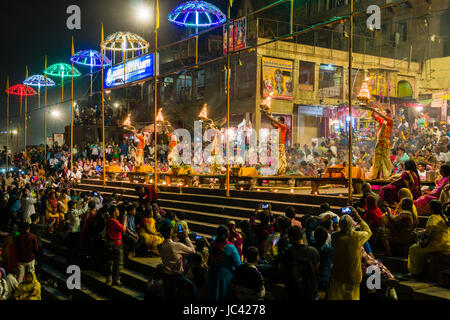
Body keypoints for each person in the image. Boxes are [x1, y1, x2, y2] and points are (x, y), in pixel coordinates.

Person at [327, 208, 372, 300]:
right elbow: (368, 232)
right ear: (353, 224)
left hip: (337, 276)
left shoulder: (335, 236)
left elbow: (337, 232)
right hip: (353, 276)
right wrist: (358, 216)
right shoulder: (358, 237)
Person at [157, 221, 197, 301]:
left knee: (170, 297)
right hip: (176, 276)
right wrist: (186, 237)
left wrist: (176, 238)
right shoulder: (177, 246)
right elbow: (193, 251)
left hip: (166, 277)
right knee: (192, 288)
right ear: (171, 231)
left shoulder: (159, 247)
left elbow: (171, 245)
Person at [408, 200, 450, 276]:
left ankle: (415, 272)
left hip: (438, 245)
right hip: (447, 244)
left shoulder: (433, 217)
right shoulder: (444, 217)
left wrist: (419, 236)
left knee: (413, 249)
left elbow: (428, 234)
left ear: (432, 208)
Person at [279, 226, 320, 300]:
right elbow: (317, 268)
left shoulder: (288, 253)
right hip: (311, 291)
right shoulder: (314, 251)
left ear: (290, 238)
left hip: (294, 292)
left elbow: (282, 269)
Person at [207, 225, 242, 301]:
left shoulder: (212, 244)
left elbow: (209, 261)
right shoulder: (230, 247)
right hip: (224, 277)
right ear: (228, 235)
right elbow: (238, 265)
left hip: (212, 274)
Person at [368, 104, 394, 179]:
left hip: (385, 142)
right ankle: (375, 175)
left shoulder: (390, 121)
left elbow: (382, 116)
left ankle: (387, 175)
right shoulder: (381, 120)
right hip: (379, 142)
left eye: (384, 113)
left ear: (388, 114)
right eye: (383, 113)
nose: (383, 114)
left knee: (385, 159)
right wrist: (372, 109)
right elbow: (373, 116)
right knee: (377, 159)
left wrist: (376, 110)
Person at [105, 206, 127, 286]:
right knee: (118, 263)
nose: (118, 212)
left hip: (109, 243)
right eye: (117, 210)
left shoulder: (108, 220)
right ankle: (116, 280)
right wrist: (124, 221)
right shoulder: (114, 222)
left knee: (109, 262)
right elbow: (123, 229)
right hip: (116, 244)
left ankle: (108, 279)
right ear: (114, 212)